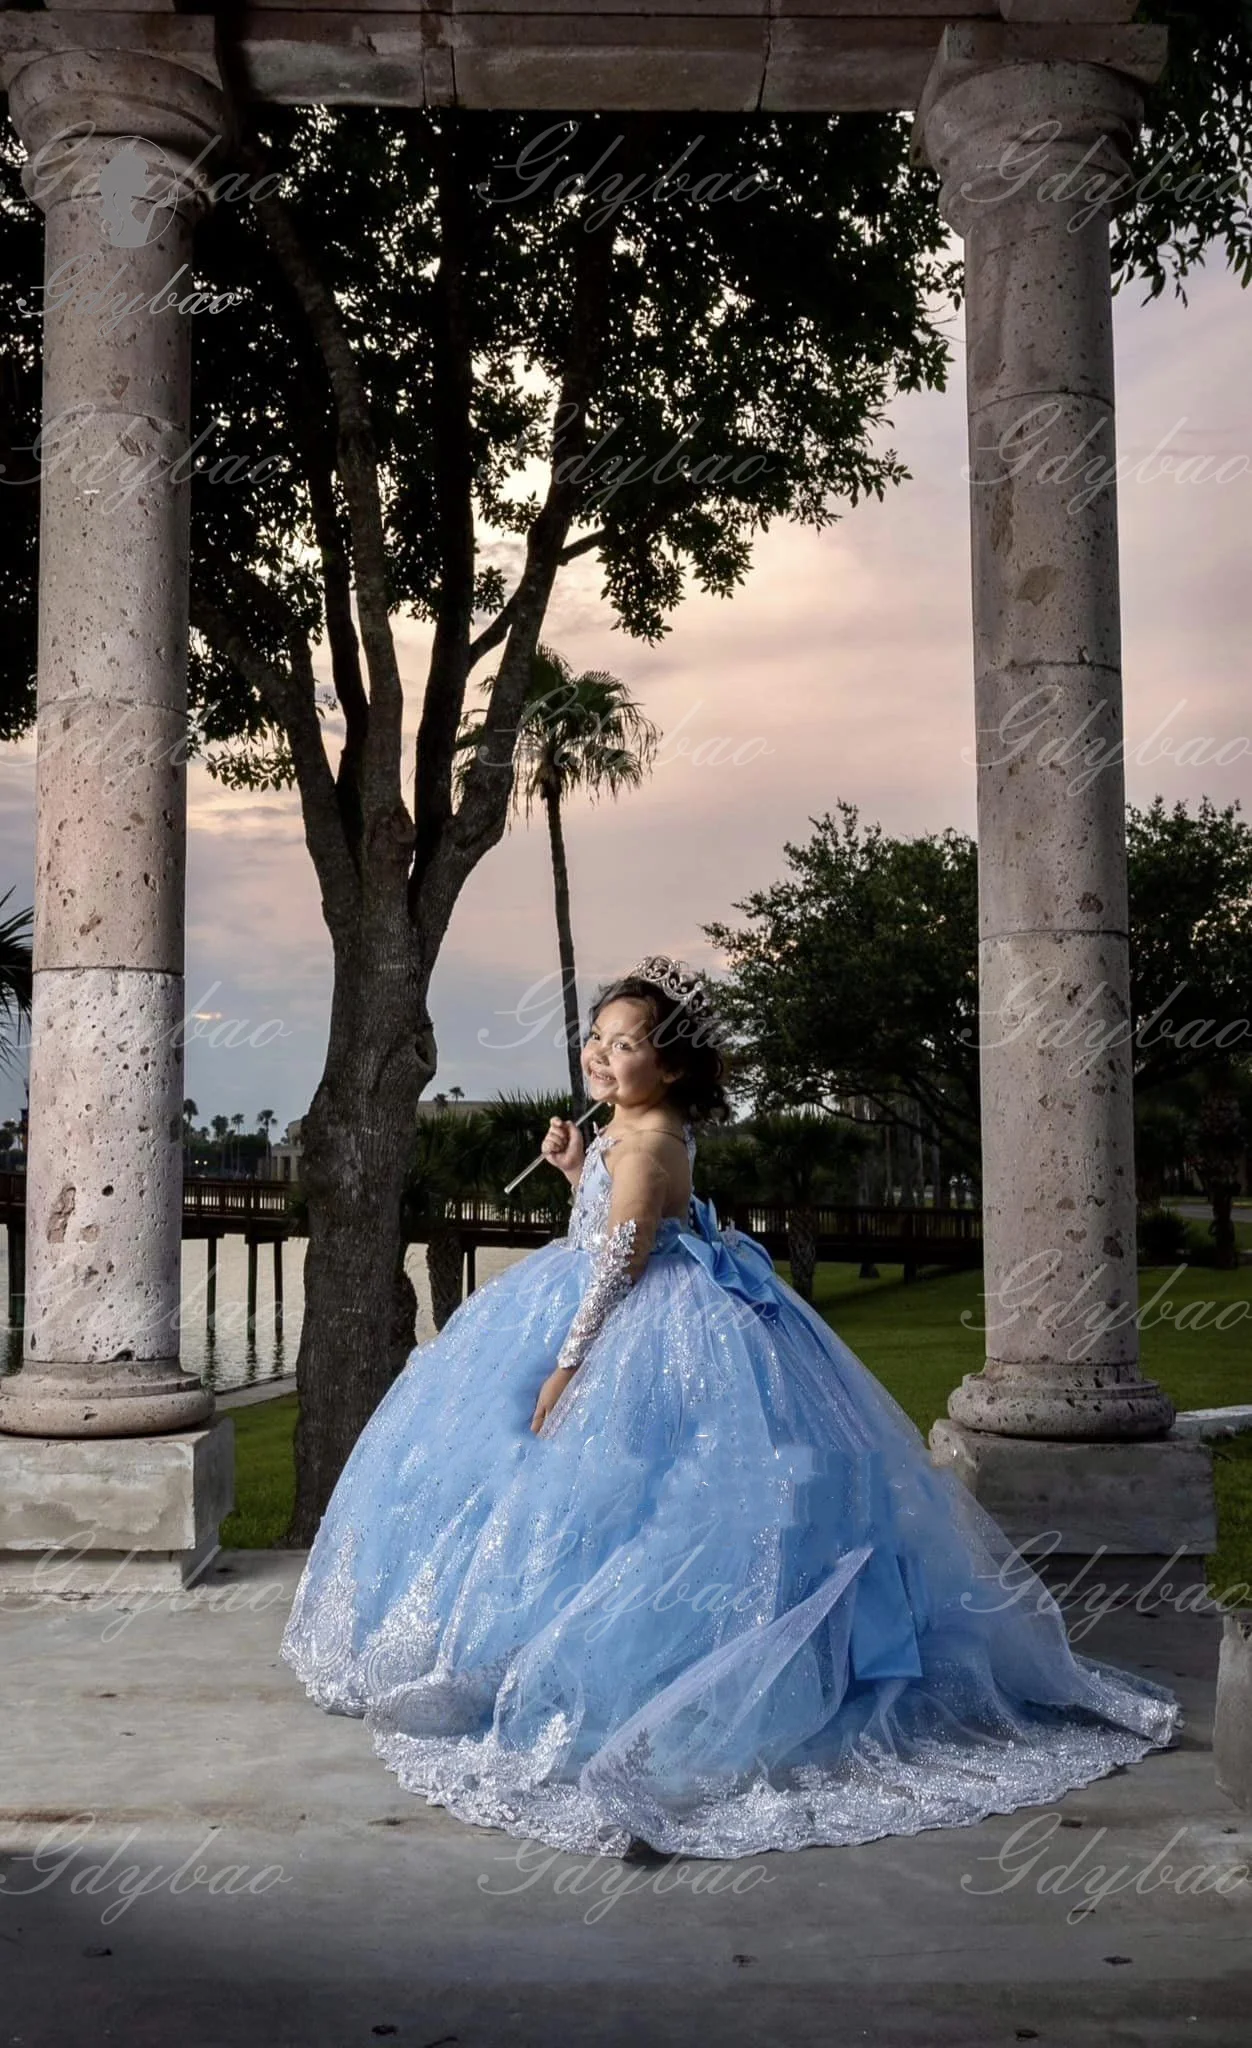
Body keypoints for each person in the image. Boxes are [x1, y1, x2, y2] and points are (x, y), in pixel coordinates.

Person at [280, 956, 1180, 1860]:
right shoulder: (631, 1135)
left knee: (630, 1493)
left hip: (639, 1325)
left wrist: (566, 1365)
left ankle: (619, 1668)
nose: (599, 1055)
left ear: (667, 1067)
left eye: (623, 1045)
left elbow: (620, 1264)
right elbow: (616, 1223)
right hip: (651, 1302)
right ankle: (540, 1643)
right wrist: (574, 1167)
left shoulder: (649, 1143)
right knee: (609, 1497)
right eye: (595, 1039)